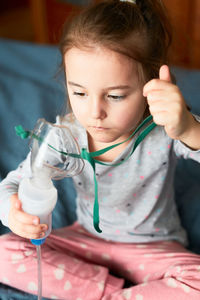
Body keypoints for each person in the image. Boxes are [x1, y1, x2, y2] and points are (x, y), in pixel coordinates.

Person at [0, 0, 200, 299]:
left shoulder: (165, 129)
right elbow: (15, 182)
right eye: (79, 92)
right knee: (5, 252)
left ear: (151, 85)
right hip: (86, 240)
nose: (94, 112)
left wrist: (188, 129)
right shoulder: (65, 137)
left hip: (154, 248)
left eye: (116, 96)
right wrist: (13, 212)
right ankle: (109, 293)